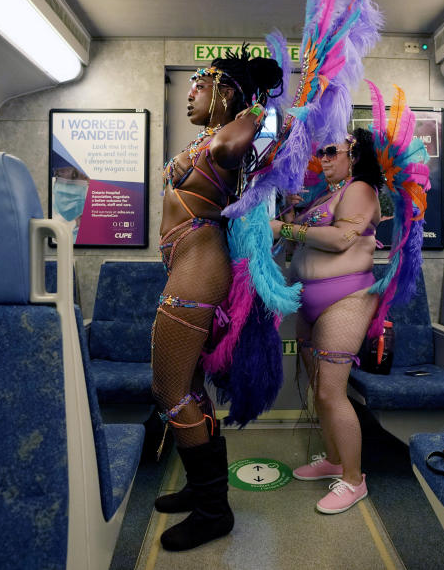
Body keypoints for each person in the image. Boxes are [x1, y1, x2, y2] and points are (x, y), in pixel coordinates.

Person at [152, 46, 282, 551]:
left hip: (198, 270)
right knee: (190, 388)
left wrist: (258, 103)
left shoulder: (234, 134)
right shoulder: (211, 137)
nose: (189, 95)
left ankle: (214, 510)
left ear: (225, 90)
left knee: (170, 392)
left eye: (198, 85)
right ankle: (201, 491)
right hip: (188, 265)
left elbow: (257, 137)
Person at [270, 128, 384, 514]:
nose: (324, 158)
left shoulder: (361, 188)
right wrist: (288, 215)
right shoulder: (324, 195)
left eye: (332, 151)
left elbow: (340, 240)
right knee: (317, 387)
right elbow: (291, 248)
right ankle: (334, 459)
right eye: (322, 152)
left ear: (354, 154)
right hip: (309, 300)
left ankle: (354, 480)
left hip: (346, 299)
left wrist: (284, 226)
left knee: (330, 393)